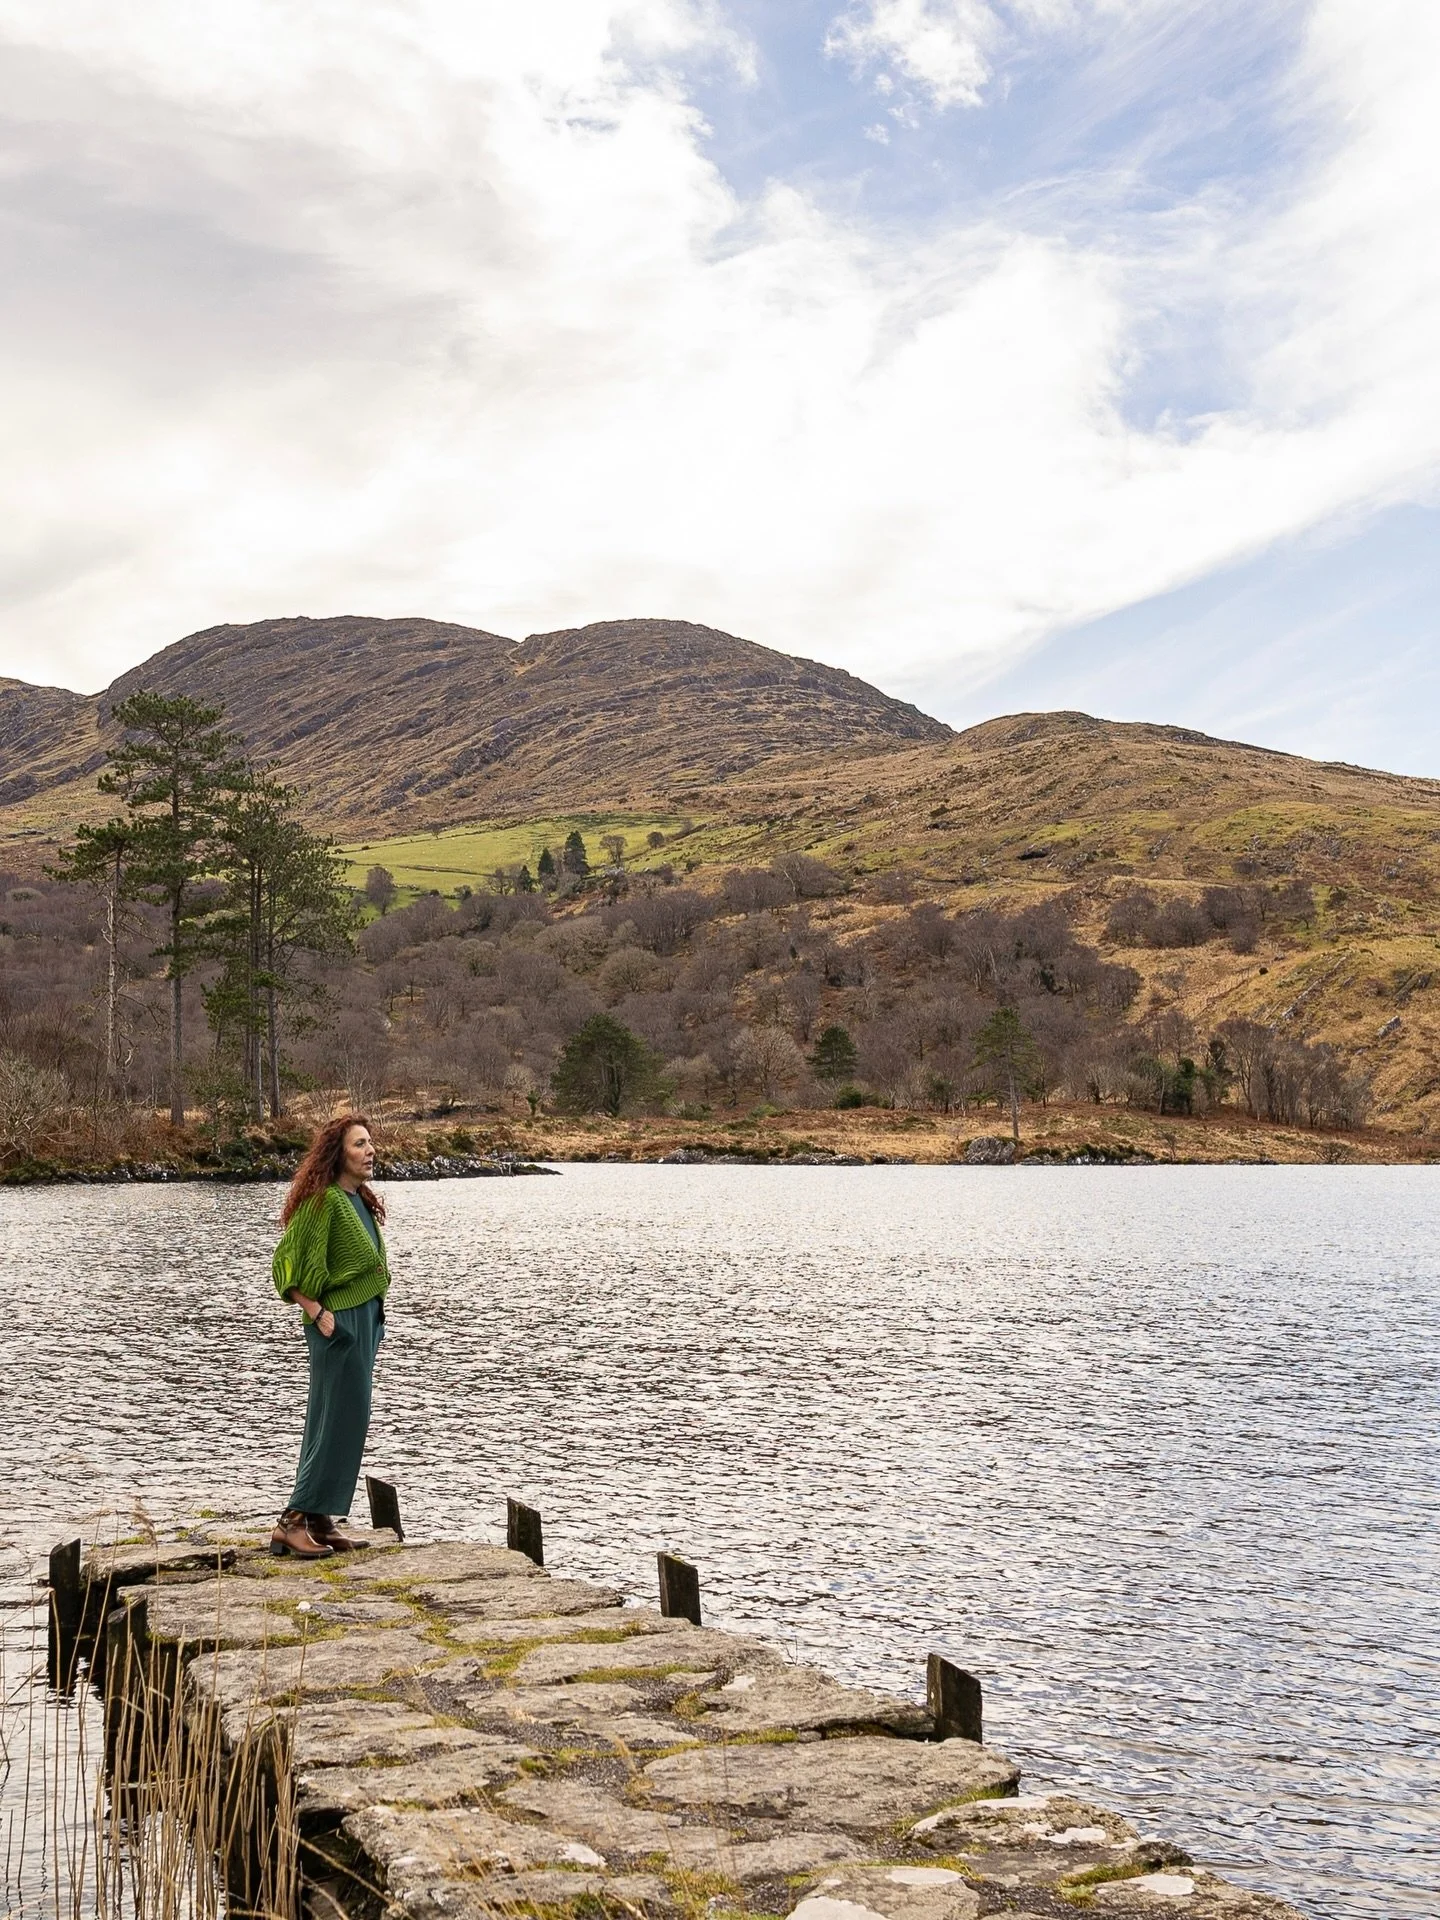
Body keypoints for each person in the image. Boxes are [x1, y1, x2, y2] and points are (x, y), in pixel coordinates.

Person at [270, 1114, 391, 1558]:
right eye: (360, 1144)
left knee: (349, 1421)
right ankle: (294, 1520)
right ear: (339, 1153)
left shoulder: (356, 1198)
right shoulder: (323, 1202)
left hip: (365, 1321)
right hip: (337, 1325)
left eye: (371, 1142)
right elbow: (284, 1263)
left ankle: (320, 1517)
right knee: (332, 1419)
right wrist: (315, 1310)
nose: (370, 1150)